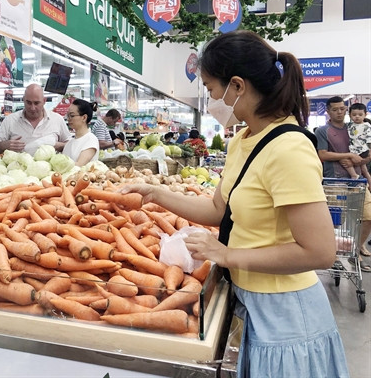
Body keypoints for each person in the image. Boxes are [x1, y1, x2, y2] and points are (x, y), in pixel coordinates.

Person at [122, 31, 349, 377]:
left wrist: (226, 254)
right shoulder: (243, 140)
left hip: (286, 314)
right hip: (250, 302)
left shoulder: (288, 148)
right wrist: (155, 195)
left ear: (237, 86)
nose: (211, 100)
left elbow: (320, 251)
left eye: (212, 89)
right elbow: (218, 210)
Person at [316, 97, 371, 263]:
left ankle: (356, 249)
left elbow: (367, 154)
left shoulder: (354, 128)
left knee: (368, 217)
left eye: (342, 108)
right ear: (328, 111)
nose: (340, 112)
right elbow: (322, 154)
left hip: (358, 182)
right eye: (335, 109)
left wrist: (359, 161)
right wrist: (347, 155)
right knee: (337, 224)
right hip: (335, 182)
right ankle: (337, 255)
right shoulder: (323, 130)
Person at [0, 84, 71, 155]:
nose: (32, 108)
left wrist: (56, 145)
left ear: (44, 101)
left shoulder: (57, 119)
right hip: (18, 170)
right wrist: (4, 145)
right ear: (23, 100)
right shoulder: (10, 120)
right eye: (28, 103)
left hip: (49, 171)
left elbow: (70, 144)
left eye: (36, 103)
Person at [62, 99, 99, 166]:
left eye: (72, 116)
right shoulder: (69, 143)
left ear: (84, 118)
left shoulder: (91, 140)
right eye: (68, 115)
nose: (68, 119)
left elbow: (80, 165)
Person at [344, 103, 371, 184]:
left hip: (362, 149)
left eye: (360, 114)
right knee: (364, 170)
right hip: (354, 149)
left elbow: (369, 139)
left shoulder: (367, 126)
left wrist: (370, 151)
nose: (357, 116)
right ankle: (369, 184)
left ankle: (354, 175)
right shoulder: (349, 125)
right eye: (354, 114)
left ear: (365, 114)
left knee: (346, 162)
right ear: (350, 115)